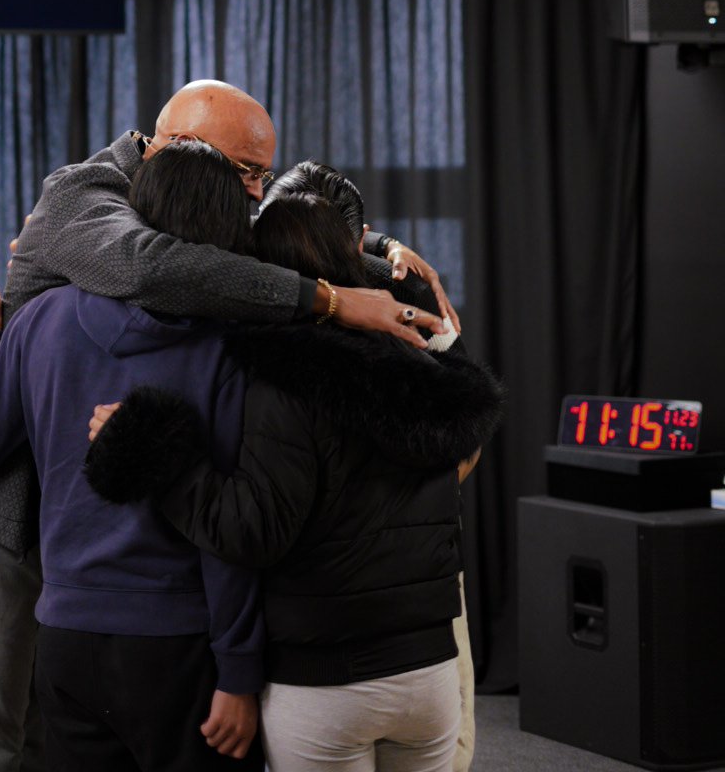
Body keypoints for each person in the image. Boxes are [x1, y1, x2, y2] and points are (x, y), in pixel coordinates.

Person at [0, 81, 457, 772]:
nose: (255, 194)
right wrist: (333, 299)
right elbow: (154, 267)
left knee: (46, 731)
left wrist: (384, 259)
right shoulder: (81, 194)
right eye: (246, 172)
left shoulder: (201, 202)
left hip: (71, 499)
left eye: (263, 175)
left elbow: (259, 247)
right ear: (169, 148)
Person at [86, 171, 503, 772]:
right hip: (430, 678)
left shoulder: (281, 376)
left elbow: (252, 530)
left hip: (326, 684)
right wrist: (385, 250)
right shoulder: (426, 360)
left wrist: (160, 454)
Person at [0, 141, 266, 771]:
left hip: (66, 639)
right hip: (181, 648)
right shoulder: (228, 349)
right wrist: (239, 671)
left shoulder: (38, 320)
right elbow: (225, 532)